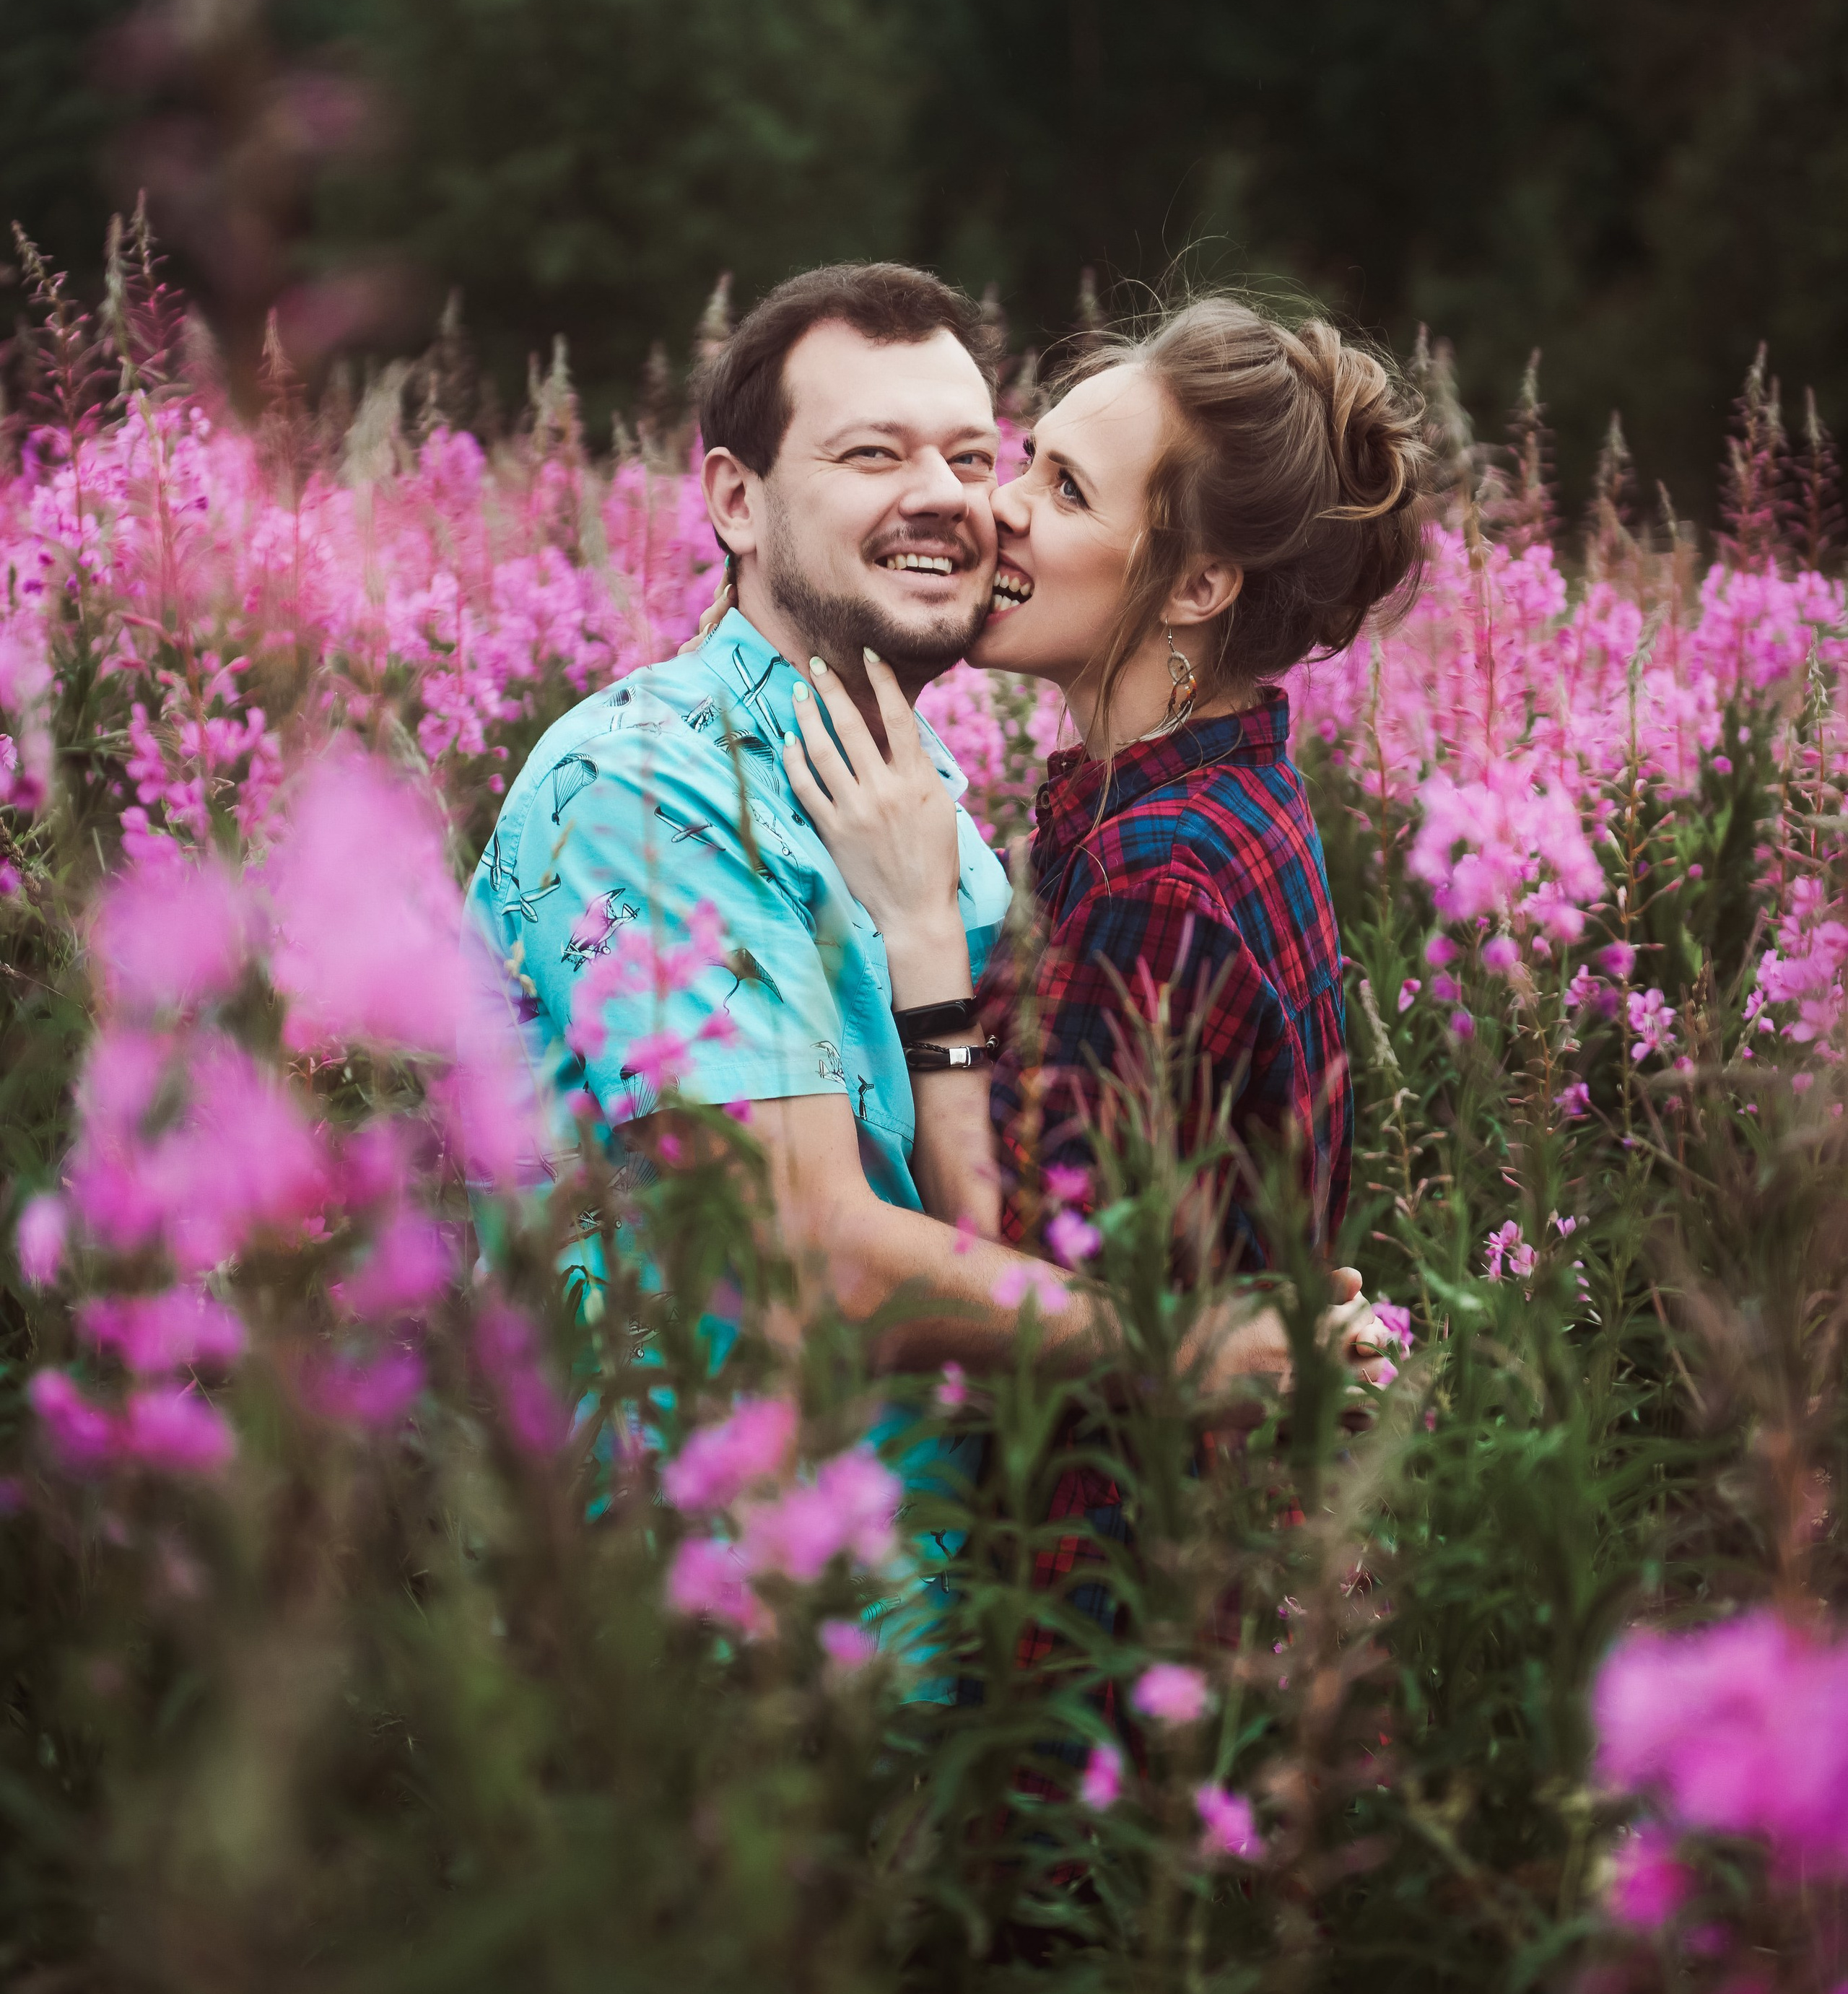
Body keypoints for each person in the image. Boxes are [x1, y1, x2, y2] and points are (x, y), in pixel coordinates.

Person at [468, 264, 1383, 1394]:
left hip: (965, 1542)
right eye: (873, 453)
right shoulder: (648, 787)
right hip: (740, 1553)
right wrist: (1196, 1351)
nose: (967, 501)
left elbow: (1042, 1236)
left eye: (971, 456)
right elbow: (812, 1262)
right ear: (737, 502)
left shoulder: (929, 803)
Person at [779, 292, 1426, 1676]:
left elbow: (1004, 1275)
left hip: (1112, 1627)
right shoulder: (1214, 801)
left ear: (1196, 583)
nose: (997, 510)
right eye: (1027, 460)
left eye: (1062, 488)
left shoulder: (1160, 873)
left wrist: (918, 936)